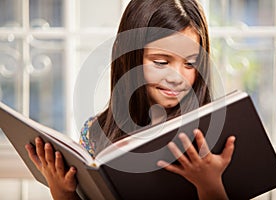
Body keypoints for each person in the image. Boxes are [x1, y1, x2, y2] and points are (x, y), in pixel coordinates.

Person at [25, 0, 236, 199]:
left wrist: (210, 185)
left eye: (190, 64)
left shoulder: (211, 136)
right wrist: (63, 193)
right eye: (161, 62)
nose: (177, 78)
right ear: (128, 58)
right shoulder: (96, 132)